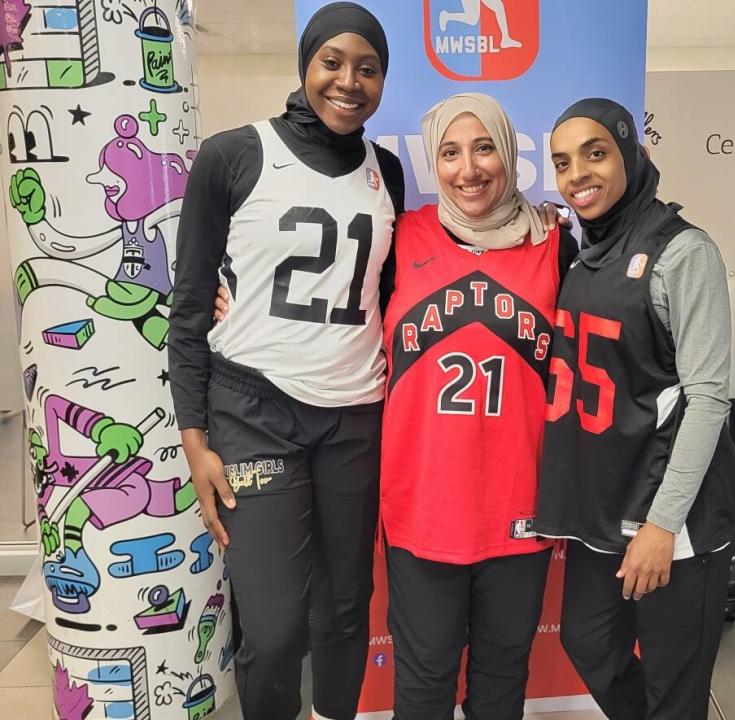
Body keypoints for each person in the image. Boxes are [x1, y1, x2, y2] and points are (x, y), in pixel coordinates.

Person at [168, 4, 403, 719]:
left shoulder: (386, 170)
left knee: (344, 608)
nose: (349, 81)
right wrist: (194, 439)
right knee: (272, 630)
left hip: (355, 416)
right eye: (333, 61)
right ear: (306, 64)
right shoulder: (233, 154)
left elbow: (385, 293)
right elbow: (186, 306)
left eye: (368, 68)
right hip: (254, 411)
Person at [535, 99, 735, 720]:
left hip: (676, 519)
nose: (578, 174)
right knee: (588, 640)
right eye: (563, 162)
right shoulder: (581, 251)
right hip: (605, 509)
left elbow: (709, 398)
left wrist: (661, 526)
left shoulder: (684, 254)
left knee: (674, 686)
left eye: (595, 153)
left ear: (635, 155)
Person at [380, 92, 577, 720]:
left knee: (499, 688)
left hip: (517, 512)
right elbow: (316, 291)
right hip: (421, 510)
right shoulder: (397, 238)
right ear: (433, 164)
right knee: (423, 687)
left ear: (509, 152)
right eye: (451, 152)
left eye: (484, 147)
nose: (469, 169)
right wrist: (232, 294)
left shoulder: (556, 246)